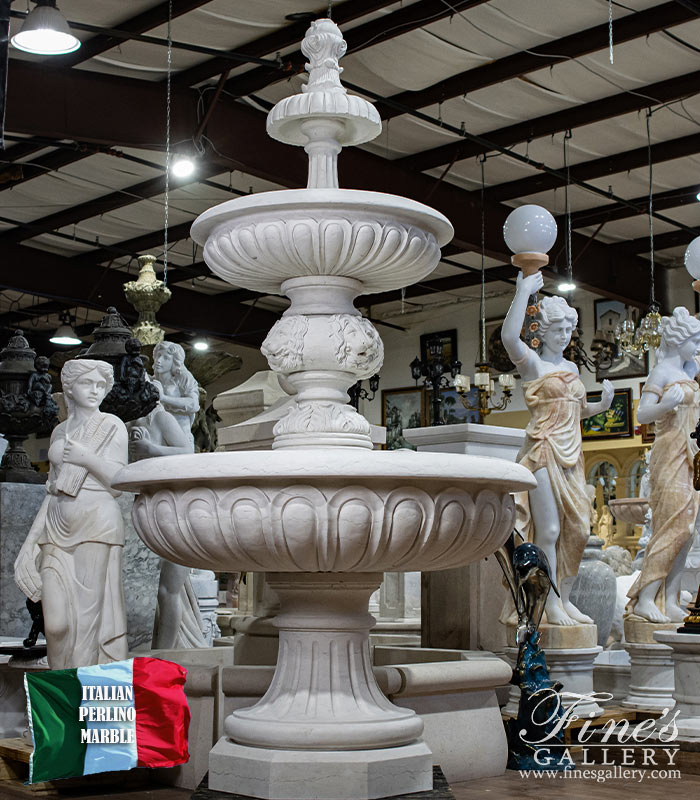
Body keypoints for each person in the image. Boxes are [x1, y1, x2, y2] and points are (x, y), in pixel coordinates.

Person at [501, 271, 614, 626]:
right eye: (558, 330)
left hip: (573, 454)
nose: (565, 337)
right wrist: (522, 291)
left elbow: (575, 410)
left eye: (569, 330)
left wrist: (601, 406)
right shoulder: (534, 365)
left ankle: (563, 597)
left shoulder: (570, 367)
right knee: (548, 530)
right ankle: (547, 602)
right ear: (543, 332)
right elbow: (508, 336)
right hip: (544, 449)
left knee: (577, 529)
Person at [14, 359, 128, 668]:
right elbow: (52, 491)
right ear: (70, 387)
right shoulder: (60, 431)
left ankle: (78, 703)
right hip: (56, 525)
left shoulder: (111, 426)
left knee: (87, 622)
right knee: (56, 625)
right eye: (87, 384)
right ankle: (61, 694)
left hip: (96, 525)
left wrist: (86, 458)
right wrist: (30, 544)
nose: (95, 391)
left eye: (101, 385)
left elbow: (118, 482)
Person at [627, 307, 700, 623]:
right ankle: (646, 597)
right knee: (671, 526)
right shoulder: (660, 373)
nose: (697, 347)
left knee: (688, 530)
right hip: (669, 452)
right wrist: (667, 404)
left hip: (691, 455)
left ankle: (670, 597)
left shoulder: (687, 371)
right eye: (694, 341)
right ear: (678, 339)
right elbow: (642, 415)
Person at [149, 342, 208, 648]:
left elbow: (192, 406)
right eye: (156, 356)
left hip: (179, 444)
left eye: (163, 357)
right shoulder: (154, 383)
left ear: (174, 361)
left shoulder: (182, 381)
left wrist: (163, 398)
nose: (158, 361)